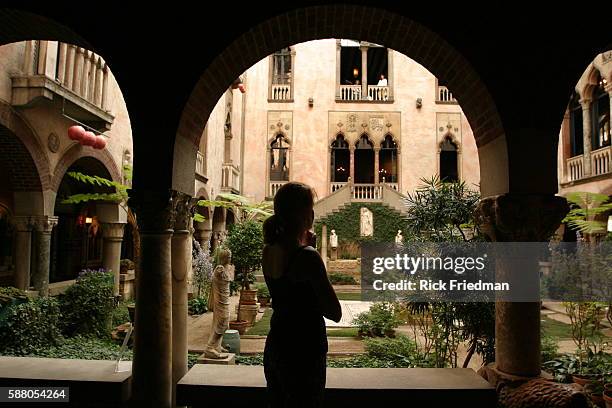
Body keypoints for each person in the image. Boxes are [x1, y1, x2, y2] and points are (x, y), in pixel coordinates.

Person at [262, 182, 342, 408]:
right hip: (303, 350)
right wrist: (314, 257)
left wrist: (306, 247)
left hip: (277, 344)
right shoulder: (308, 257)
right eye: (310, 206)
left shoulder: (268, 250)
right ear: (302, 214)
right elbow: (334, 312)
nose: (314, 212)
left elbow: (288, 293)